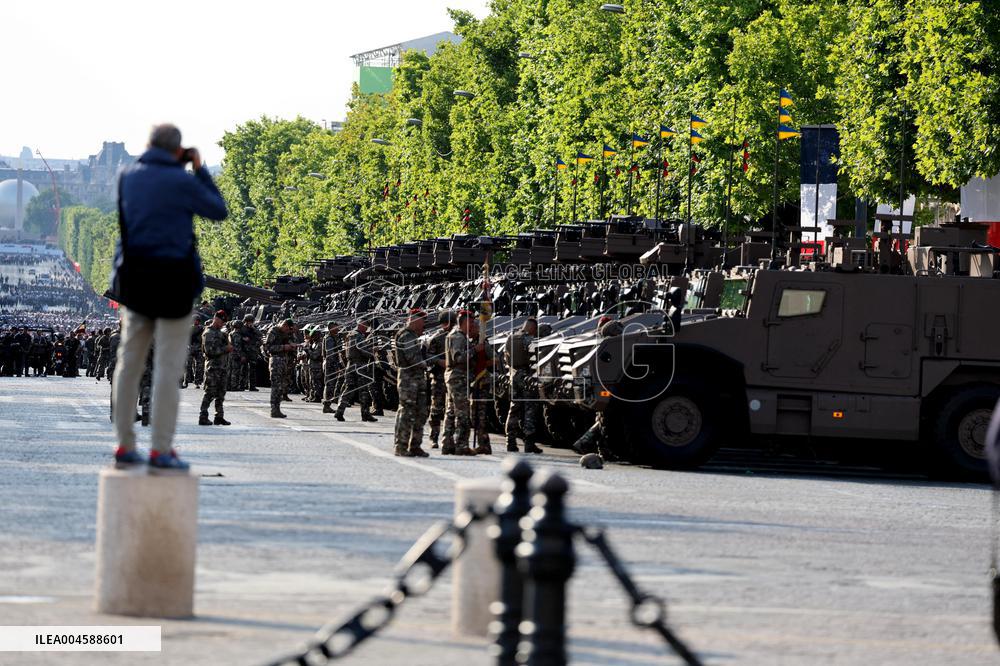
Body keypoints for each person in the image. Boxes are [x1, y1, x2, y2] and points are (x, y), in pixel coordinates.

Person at [110, 123, 228, 470]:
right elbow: (218, 210)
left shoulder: (126, 176)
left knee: (129, 363)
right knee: (167, 368)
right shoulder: (183, 181)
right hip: (175, 279)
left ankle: (124, 444)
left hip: (134, 277)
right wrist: (199, 168)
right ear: (178, 151)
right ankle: (161, 448)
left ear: (147, 145)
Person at [393, 310, 430, 457]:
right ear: (414, 320)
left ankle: (415, 445)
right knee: (407, 412)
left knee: (421, 412)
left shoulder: (413, 335)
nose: (423, 325)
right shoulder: (406, 335)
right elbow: (412, 358)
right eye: (422, 322)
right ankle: (401, 446)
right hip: (409, 379)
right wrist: (426, 363)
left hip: (417, 379)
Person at [504, 318, 543, 454]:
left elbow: (506, 358)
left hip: (513, 375)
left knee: (514, 409)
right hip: (527, 377)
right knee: (529, 410)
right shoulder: (529, 340)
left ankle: (510, 442)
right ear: (532, 328)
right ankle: (529, 444)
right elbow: (535, 359)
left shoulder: (511, 337)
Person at [441, 311, 477, 456]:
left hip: (455, 377)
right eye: (471, 322)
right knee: (462, 413)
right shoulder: (457, 337)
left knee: (450, 412)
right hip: (458, 377)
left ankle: (447, 444)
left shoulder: (457, 335)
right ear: (463, 322)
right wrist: (474, 350)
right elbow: (459, 358)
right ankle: (461, 445)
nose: (473, 325)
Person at [335, 321, 377, 422]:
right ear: (361, 325)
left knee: (349, 389)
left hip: (350, 365)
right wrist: (372, 352)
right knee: (363, 391)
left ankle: (339, 411)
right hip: (359, 366)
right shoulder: (359, 336)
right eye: (365, 326)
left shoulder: (350, 334)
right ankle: (365, 414)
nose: (366, 328)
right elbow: (362, 349)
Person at [424, 310, 454, 448]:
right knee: (436, 409)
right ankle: (433, 437)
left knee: (452, 410)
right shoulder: (436, 338)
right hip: (439, 377)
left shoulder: (459, 336)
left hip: (455, 378)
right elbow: (428, 357)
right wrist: (439, 361)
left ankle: (448, 438)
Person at [199, 310, 233, 426]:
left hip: (222, 367)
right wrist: (225, 349)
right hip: (213, 368)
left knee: (221, 393)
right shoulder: (208, 333)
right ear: (216, 319)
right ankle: (203, 416)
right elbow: (210, 352)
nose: (223, 324)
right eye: (222, 321)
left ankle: (219, 416)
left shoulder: (220, 333)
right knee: (210, 392)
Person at [265, 319, 296, 418]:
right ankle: (274, 410)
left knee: (280, 387)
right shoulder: (273, 331)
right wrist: (283, 347)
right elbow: (268, 348)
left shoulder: (284, 333)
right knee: (276, 387)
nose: (288, 331)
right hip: (276, 361)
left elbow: (287, 341)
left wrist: (291, 345)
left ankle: (277, 409)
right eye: (287, 329)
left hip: (283, 361)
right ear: (285, 325)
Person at [321, 321, 343, 414]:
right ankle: (327, 406)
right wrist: (336, 366)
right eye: (335, 327)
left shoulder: (332, 337)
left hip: (330, 363)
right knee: (330, 385)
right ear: (330, 329)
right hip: (330, 364)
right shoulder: (329, 338)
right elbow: (330, 353)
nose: (337, 329)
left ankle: (327, 405)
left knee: (330, 385)